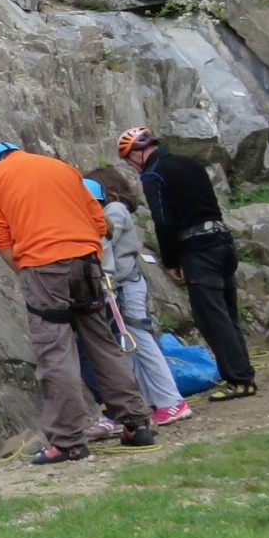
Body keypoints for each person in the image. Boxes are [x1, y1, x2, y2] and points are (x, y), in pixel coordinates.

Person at [0, 143, 156, 464]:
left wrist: (26, 271)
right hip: (87, 263)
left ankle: (67, 441)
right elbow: (101, 223)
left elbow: (0, 235)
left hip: (44, 266)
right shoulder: (61, 168)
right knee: (102, 342)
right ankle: (137, 423)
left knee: (55, 350)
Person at [120, 127, 255, 400]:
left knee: (212, 319)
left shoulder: (153, 174)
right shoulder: (190, 163)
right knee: (228, 315)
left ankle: (238, 380)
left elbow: (163, 221)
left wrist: (170, 260)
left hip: (198, 250)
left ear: (137, 153)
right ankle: (243, 374)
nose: (132, 167)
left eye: (128, 160)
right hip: (223, 242)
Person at [85, 169, 192, 426]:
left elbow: (105, 241)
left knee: (141, 340)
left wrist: (103, 278)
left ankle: (171, 401)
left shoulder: (115, 211)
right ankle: (156, 401)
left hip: (125, 285)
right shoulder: (114, 211)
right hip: (121, 284)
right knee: (131, 346)